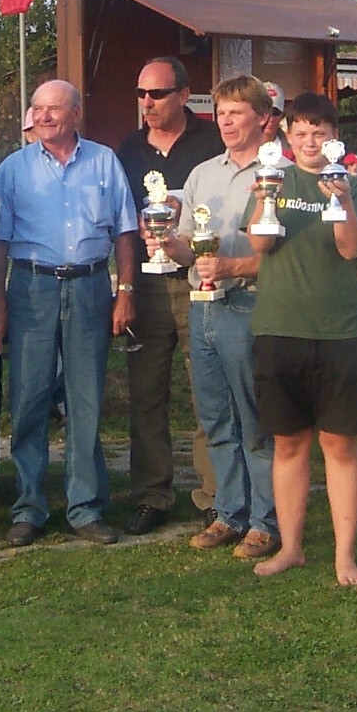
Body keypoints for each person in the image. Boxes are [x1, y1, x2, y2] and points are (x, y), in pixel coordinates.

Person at [0, 80, 138, 547]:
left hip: (91, 285)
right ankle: (29, 506)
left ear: (76, 112)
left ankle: (86, 507)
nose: (45, 117)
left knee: (86, 397)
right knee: (29, 398)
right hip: (31, 286)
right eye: (38, 109)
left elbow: (126, 230)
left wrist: (125, 291)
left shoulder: (104, 161)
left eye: (54, 109)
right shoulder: (12, 170)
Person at [144, 75, 279, 561]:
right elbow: (185, 248)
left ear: (263, 119)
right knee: (215, 416)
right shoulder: (203, 173)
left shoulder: (279, 172)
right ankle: (229, 511)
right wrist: (163, 240)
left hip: (253, 303)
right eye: (220, 112)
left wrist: (232, 266)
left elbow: (288, 255)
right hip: (203, 304)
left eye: (236, 112)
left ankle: (266, 521)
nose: (225, 121)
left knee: (254, 419)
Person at [243, 91, 357, 585]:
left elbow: (351, 250)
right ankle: (292, 547)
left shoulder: (351, 183)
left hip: (340, 331)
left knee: (340, 446)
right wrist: (265, 197)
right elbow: (260, 243)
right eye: (299, 133)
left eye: (319, 133)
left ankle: (345, 555)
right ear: (286, 137)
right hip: (280, 329)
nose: (309, 142)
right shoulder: (271, 175)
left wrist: (340, 198)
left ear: (334, 137)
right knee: (288, 444)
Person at [114, 56, 223, 534]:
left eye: (157, 94)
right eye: (141, 93)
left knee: (208, 391)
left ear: (183, 94)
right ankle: (152, 495)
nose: (147, 103)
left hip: (199, 276)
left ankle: (216, 496)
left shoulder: (213, 141)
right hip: (149, 281)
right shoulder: (128, 149)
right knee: (147, 393)